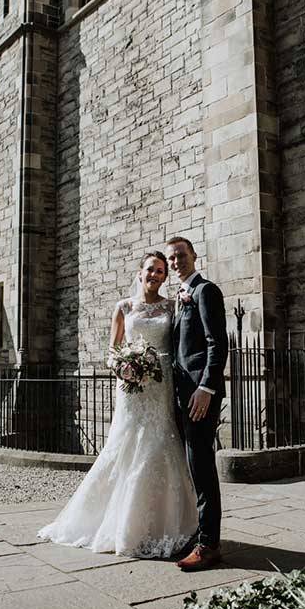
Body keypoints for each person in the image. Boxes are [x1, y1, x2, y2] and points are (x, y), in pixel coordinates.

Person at [37, 252, 198, 558]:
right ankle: (121, 524)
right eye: (151, 269)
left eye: (161, 272)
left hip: (162, 385)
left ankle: (167, 523)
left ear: (165, 277)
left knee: (161, 443)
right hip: (133, 388)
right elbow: (112, 351)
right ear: (140, 272)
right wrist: (126, 367)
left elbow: (178, 345)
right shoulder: (123, 307)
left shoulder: (171, 306)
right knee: (126, 446)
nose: (155, 275)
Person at [165, 236, 228, 571]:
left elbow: (217, 345)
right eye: (172, 258)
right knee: (191, 467)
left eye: (181, 256)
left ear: (194, 256)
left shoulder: (205, 291)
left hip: (199, 397)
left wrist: (206, 387)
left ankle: (209, 545)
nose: (176, 262)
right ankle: (197, 532)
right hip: (180, 394)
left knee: (202, 468)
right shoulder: (179, 299)